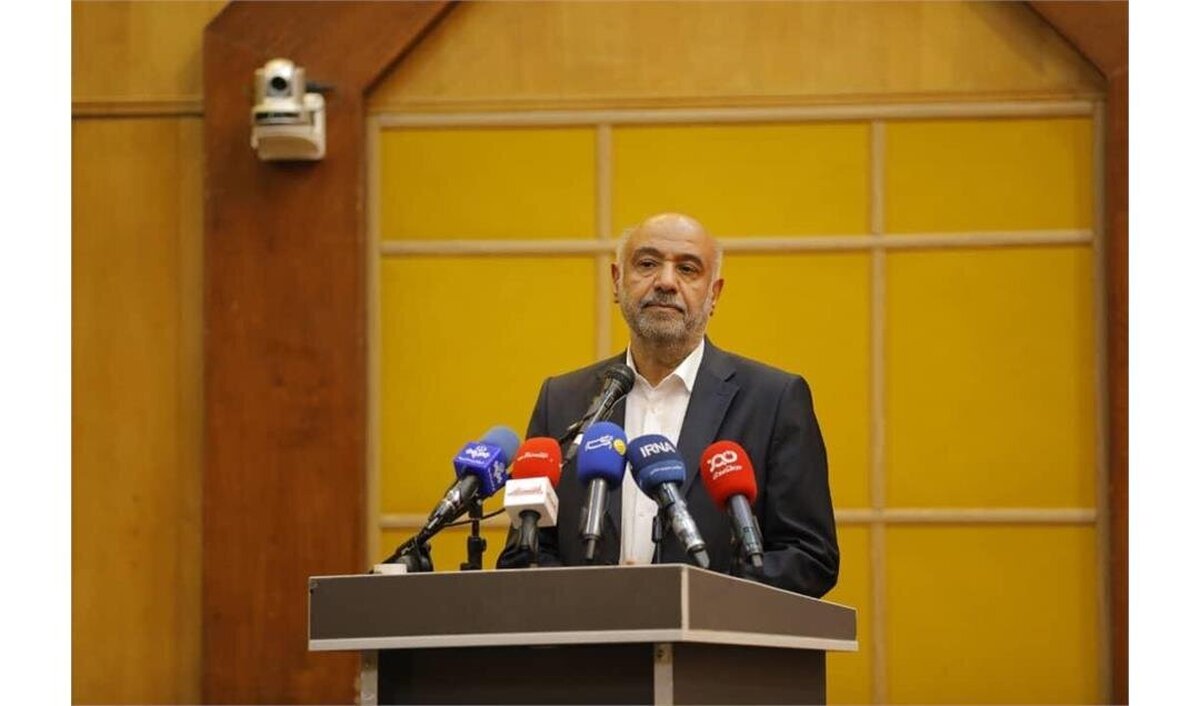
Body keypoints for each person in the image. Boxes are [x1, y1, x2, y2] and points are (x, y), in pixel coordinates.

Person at [496, 213, 839, 597]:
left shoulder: (774, 400)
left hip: (713, 634)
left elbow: (810, 557)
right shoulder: (562, 400)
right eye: (647, 264)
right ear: (617, 281)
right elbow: (525, 551)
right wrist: (595, 600)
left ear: (714, 295)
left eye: (688, 269)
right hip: (587, 634)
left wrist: (684, 598)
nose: (665, 281)